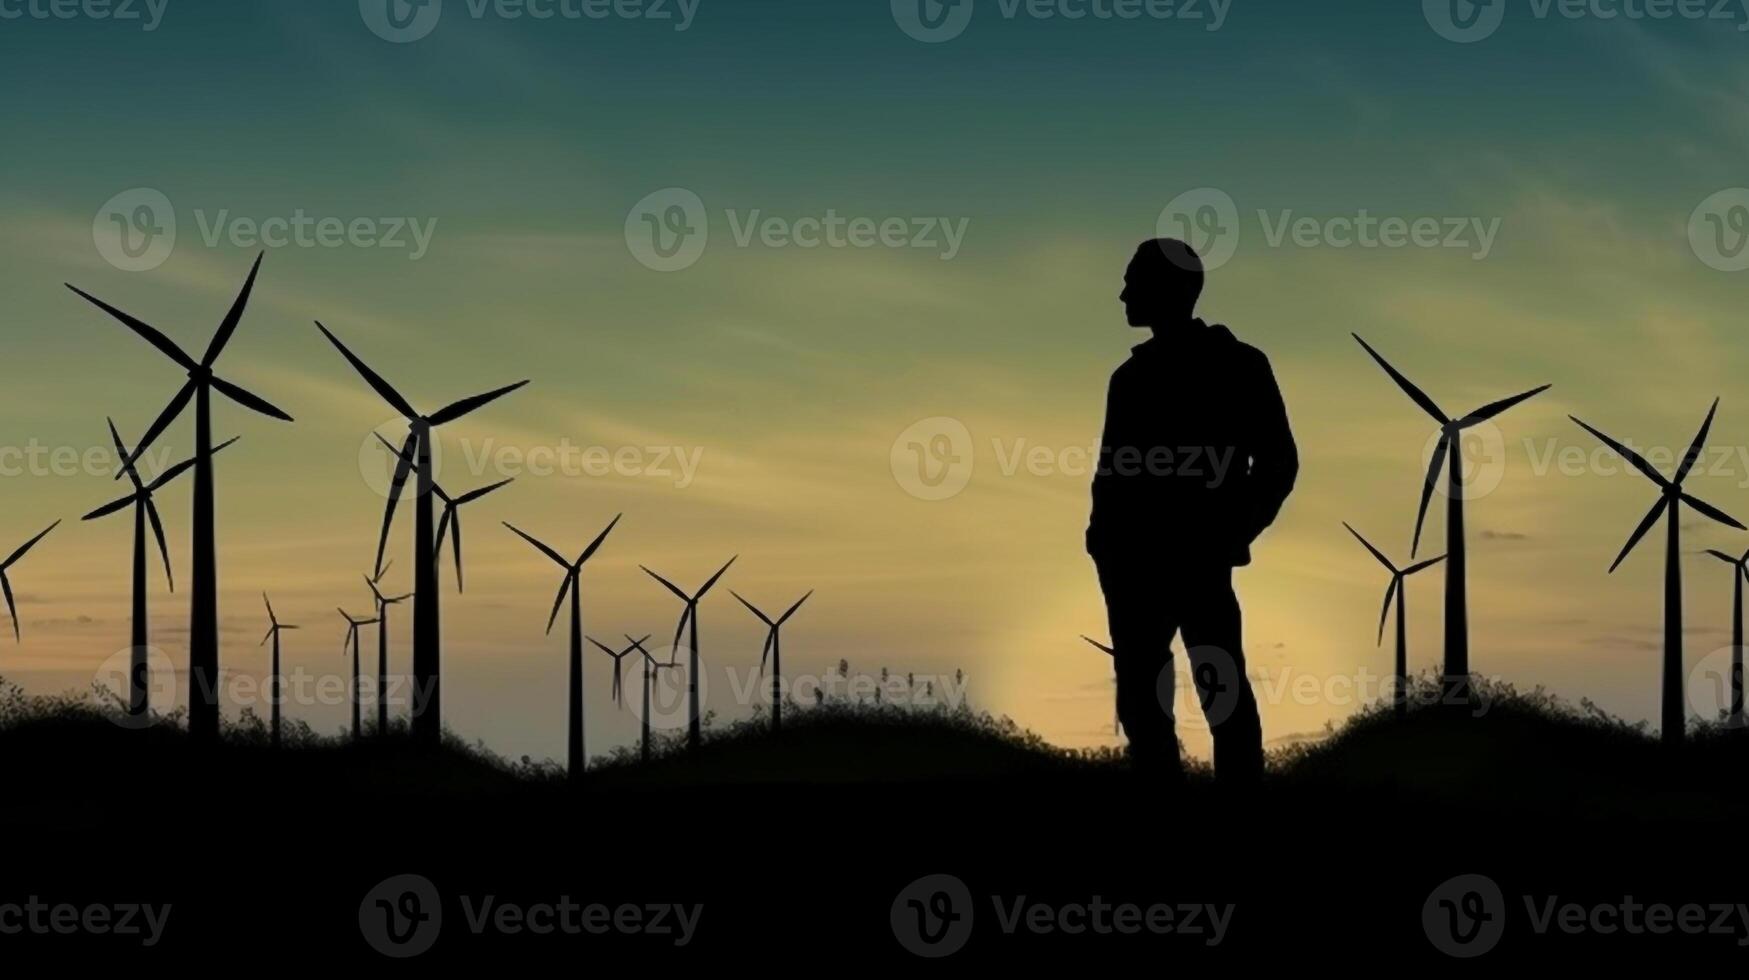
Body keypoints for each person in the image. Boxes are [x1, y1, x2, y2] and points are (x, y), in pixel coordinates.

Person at [1087, 238, 1298, 783]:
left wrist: (1232, 531)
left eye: (1133, 281)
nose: (1122, 294)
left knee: (1222, 695)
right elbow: (1111, 475)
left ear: (1171, 289)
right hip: (1130, 568)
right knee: (1140, 705)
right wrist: (1101, 542)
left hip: (1201, 563)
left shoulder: (1240, 366)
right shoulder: (1128, 380)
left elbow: (1277, 463)